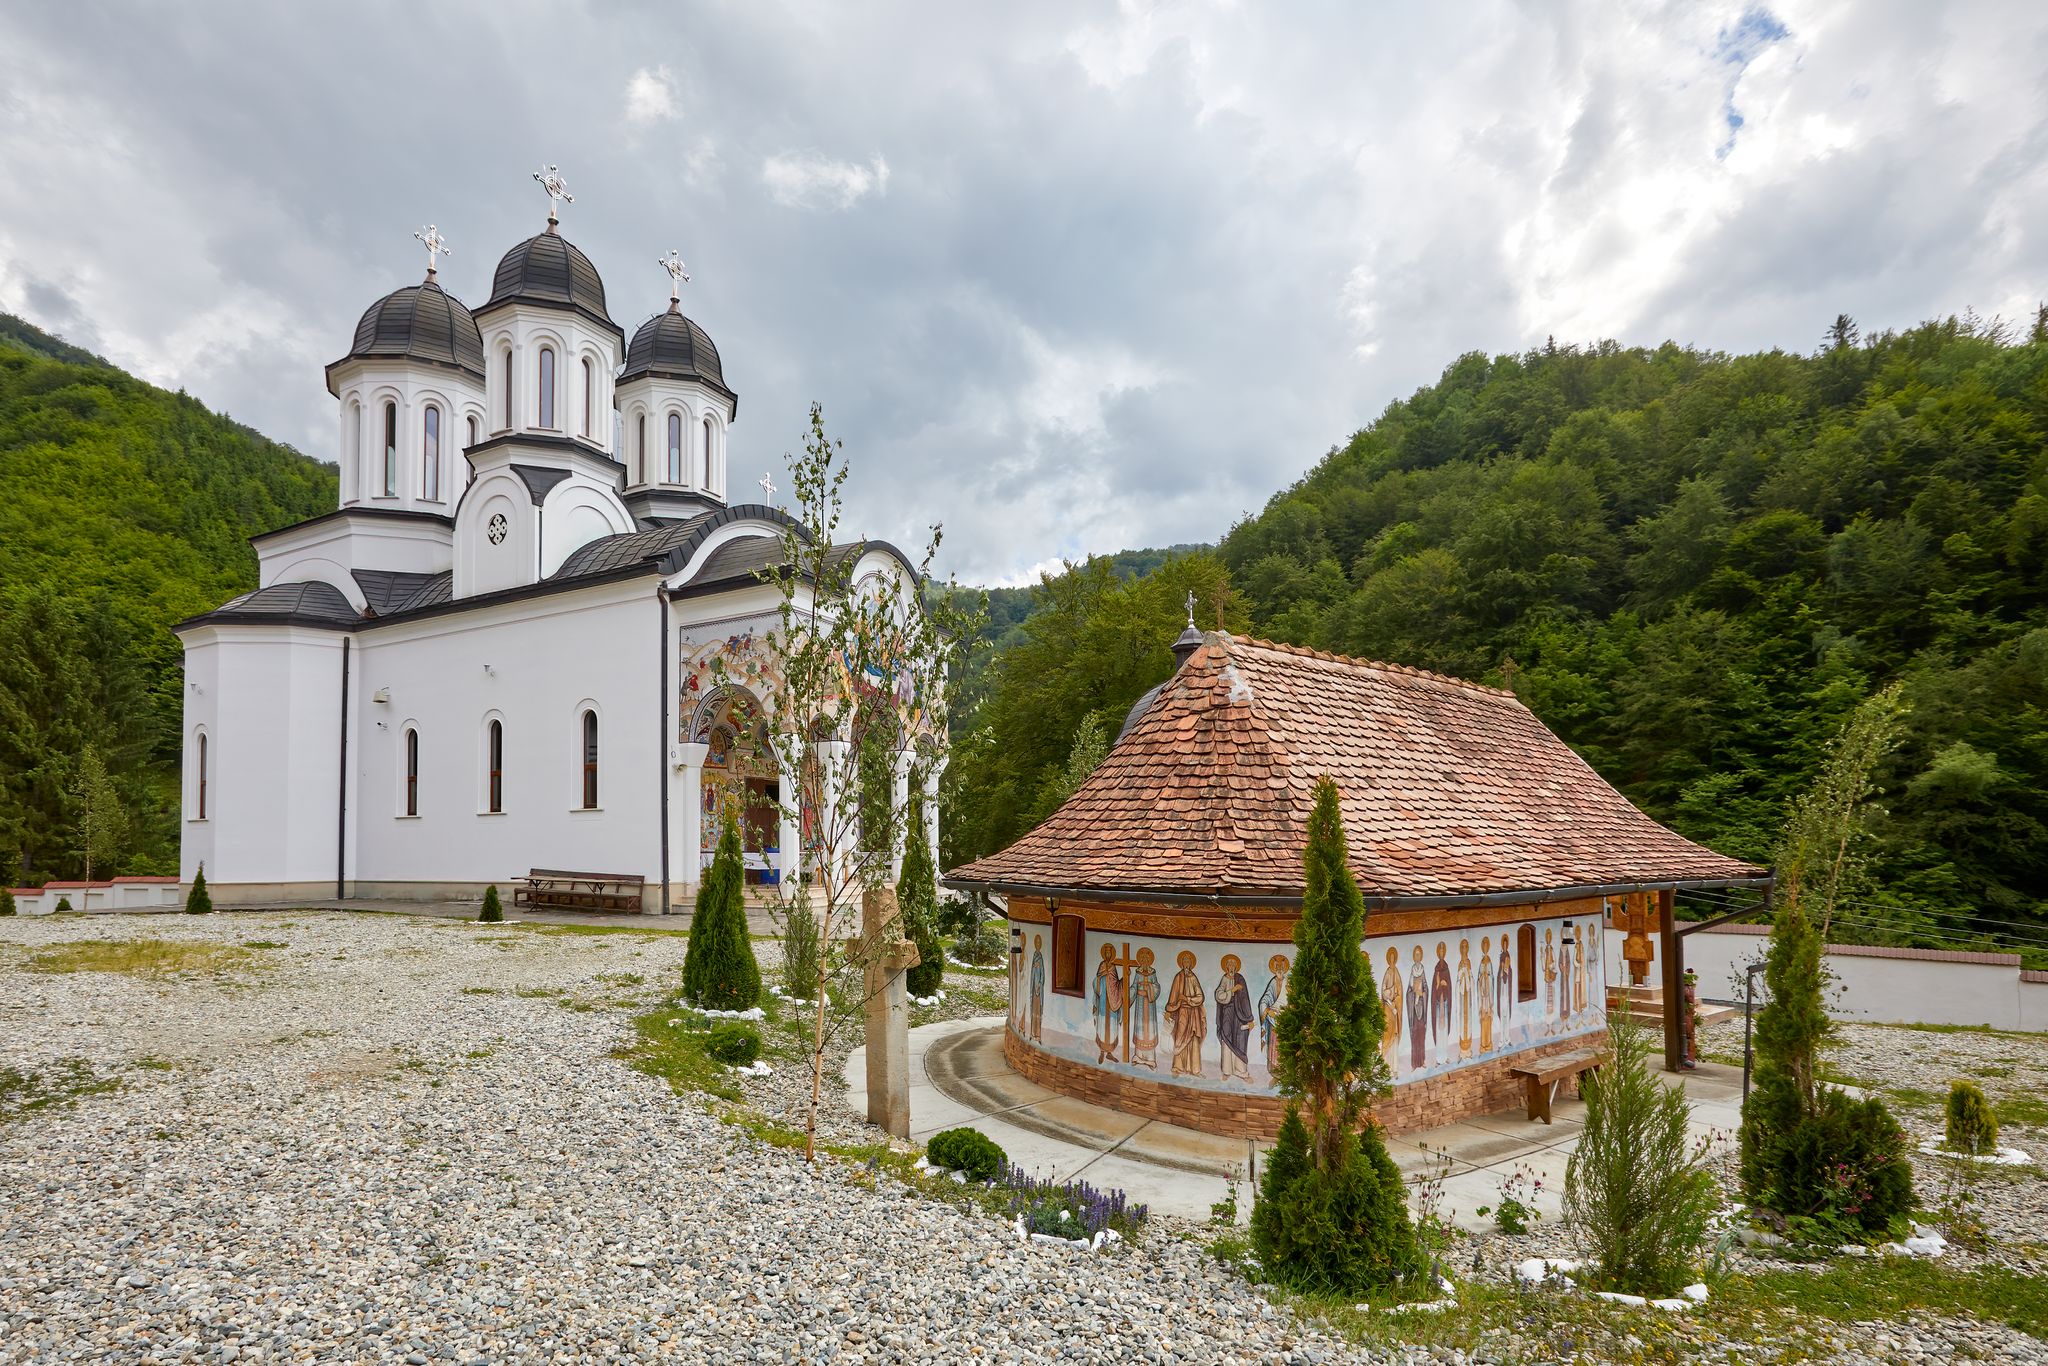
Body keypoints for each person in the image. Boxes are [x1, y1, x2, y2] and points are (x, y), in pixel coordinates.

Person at [1166, 950, 1206, 1077]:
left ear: (1191, 964)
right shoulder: (1178, 977)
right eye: (1184, 961)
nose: (1186, 963)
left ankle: (1194, 1069)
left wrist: (1188, 999)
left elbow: (1200, 997)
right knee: (1180, 1038)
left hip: (1193, 1012)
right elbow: (1173, 997)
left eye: (1188, 961)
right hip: (1182, 1011)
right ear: (1181, 963)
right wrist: (1170, 1009)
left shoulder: (1193, 978)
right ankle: (1177, 1067)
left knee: (1193, 1039)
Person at [1215, 954, 1254, 1081]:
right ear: (1226, 967)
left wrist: (1249, 1018)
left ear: (1236, 966)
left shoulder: (1240, 978)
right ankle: (1227, 1070)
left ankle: (1241, 1072)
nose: (1231, 966)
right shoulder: (1224, 979)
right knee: (1226, 1039)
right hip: (1227, 1013)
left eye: (1233, 964)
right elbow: (1218, 995)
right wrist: (1232, 991)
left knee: (1240, 1040)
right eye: (1229, 964)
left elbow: (1245, 998)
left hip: (1239, 1015)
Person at [1092, 942, 1125, 1063]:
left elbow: (1115, 984)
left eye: (1109, 953)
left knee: (1112, 1027)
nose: (1107, 955)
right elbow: (1095, 983)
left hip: (1112, 1003)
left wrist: (1123, 981)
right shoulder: (1101, 966)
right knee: (1101, 1026)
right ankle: (1101, 1052)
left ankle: (1109, 1053)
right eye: (1106, 953)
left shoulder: (1113, 967)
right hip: (1102, 1002)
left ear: (1111, 955)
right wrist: (1101, 977)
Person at [1128, 947, 1161, 1068]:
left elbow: (1157, 986)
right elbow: (1133, 987)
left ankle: (1150, 1059)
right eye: (1143, 959)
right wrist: (1128, 993)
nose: (1145, 960)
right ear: (1140, 960)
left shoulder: (1153, 973)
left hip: (1150, 1004)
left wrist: (1149, 988)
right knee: (1140, 1029)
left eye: (1147, 958)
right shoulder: (1138, 973)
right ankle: (1138, 1056)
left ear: (1150, 961)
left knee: (1149, 1029)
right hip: (1140, 1005)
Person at [1257, 954, 1290, 1073]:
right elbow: (1265, 999)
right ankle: (1275, 1070)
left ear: (1285, 968)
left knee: (1285, 1043)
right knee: (1274, 1043)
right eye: (1277, 967)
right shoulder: (1273, 982)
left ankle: (1285, 1070)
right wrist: (1267, 1010)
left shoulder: (1289, 983)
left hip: (1286, 1019)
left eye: (1281, 967)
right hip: (1273, 1020)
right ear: (1274, 969)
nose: (1279, 969)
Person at [1381, 946, 1403, 1075]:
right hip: (1388, 1012)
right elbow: (1383, 993)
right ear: (1388, 960)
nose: (1392, 961)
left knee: (1394, 1037)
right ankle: (1387, 1068)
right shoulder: (1387, 973)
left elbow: (1399, 992)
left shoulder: (1397, 974)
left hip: (1395, 1011)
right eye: (1391, 958)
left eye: (1394, 958)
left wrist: (1395, 1002)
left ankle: (1394, 1068)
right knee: (1387, 1036)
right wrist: (1389, 996)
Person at [1029, 934, 1046, 1043]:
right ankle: (1032, 1033)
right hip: (1033, 989)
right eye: (1037, 943)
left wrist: (1039, 984)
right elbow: (1031, 973)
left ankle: (1038, 1035)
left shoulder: (1040, 957)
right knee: (1033, 1011)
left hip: (1038, 991)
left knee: (1038, 1012)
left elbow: (1043, 974)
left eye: (1039, 943)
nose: (1038, 945)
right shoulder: (1035, 956)